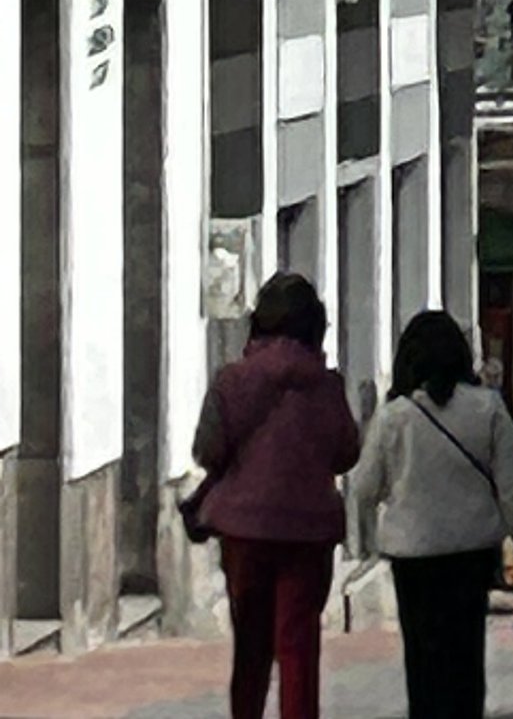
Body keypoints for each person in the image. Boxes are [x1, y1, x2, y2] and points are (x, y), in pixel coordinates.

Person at [350, 311, 513, 719]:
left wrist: (368, 540)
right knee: (465, 663)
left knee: (423, 664)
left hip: (414, 556)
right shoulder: (488, 409)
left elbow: (363, 487)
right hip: (470, 552)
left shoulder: (395, 416)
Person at [191, 271, 363, 719]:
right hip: (309, 532)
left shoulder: (231, 380)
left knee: (250, 646)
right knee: (297, 646)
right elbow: (347, 452)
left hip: (245, 531)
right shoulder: (328, 386)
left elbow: (208, 449)